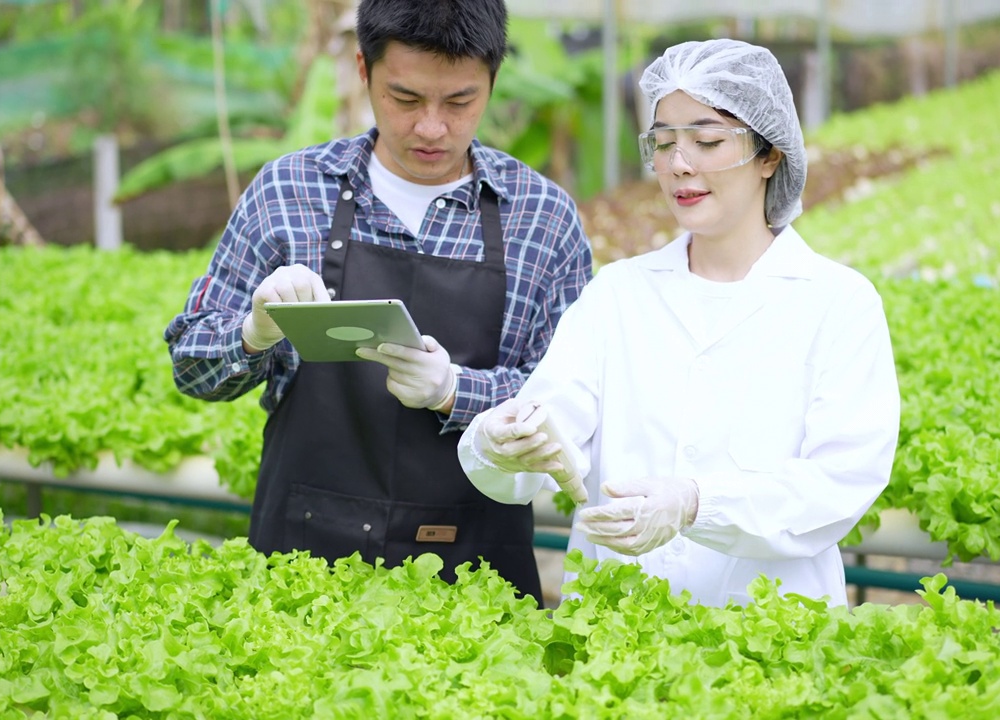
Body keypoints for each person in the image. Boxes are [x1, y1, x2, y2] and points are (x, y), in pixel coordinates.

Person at [165, 0, 593, 604]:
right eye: (407, 99)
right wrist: (253, 332)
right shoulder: (290, 191)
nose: (431, 128)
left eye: (460, 102)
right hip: (303, 562)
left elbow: (571, 409)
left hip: (474, 570)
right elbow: (190, 365)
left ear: (493, 80)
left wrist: (453, 390)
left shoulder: (544, 219)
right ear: (363, 71)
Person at [457, 39, 900, 608]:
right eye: (664, 142)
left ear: (771, 156)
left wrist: (696, 504)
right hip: (616, 639)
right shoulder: (618, 294)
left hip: (775, 637)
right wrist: (501, 442)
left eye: (707, 140)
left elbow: (841, 481)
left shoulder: (837, 303)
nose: (679, 164)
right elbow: (546, 434)